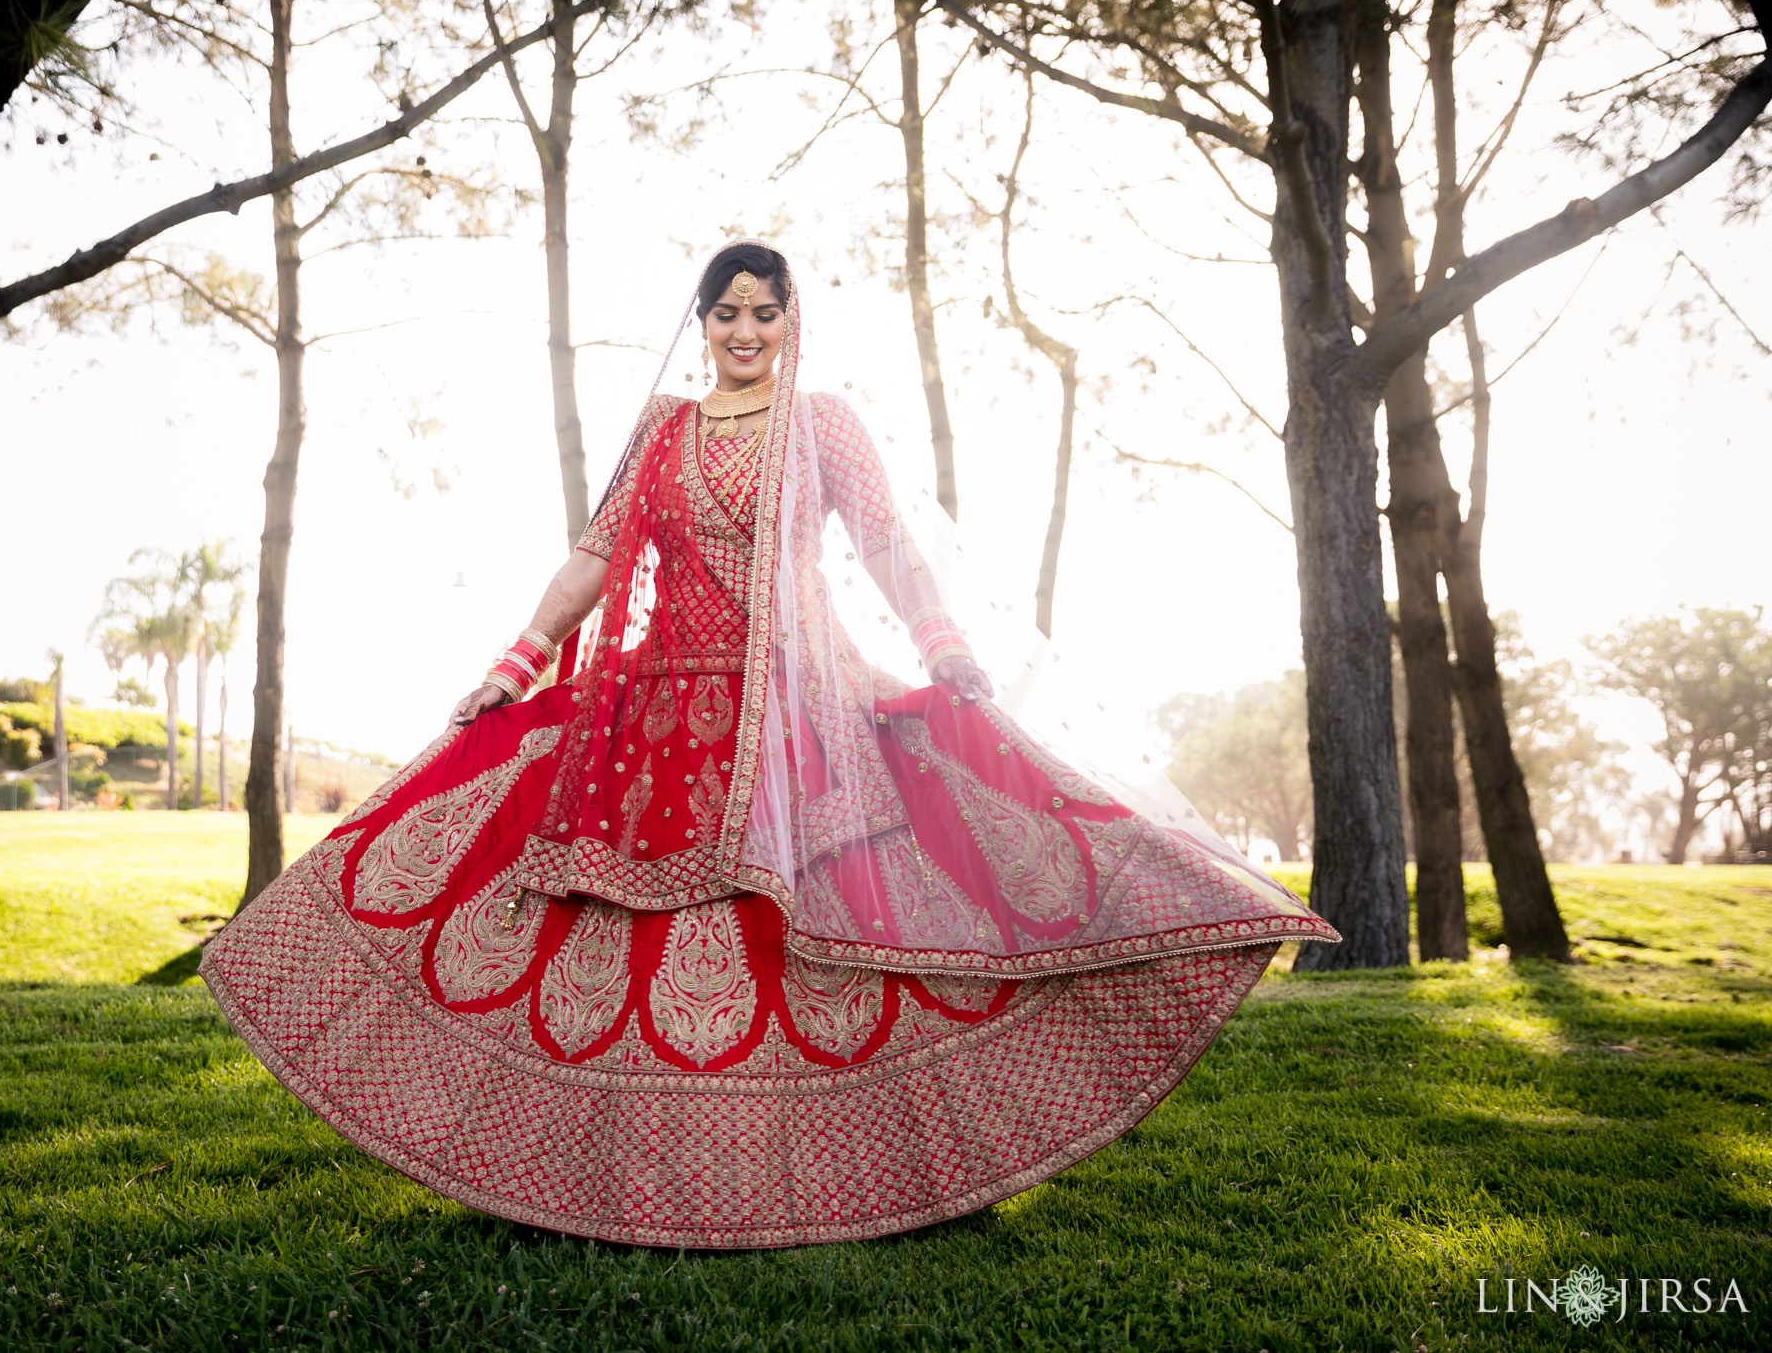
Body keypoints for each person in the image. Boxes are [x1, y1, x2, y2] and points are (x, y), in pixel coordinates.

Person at [203, 241, 1338, 1249]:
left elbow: (888, 545)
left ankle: (884, 1172)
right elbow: (596, 557)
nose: (744, 333)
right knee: (639, 945)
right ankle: (622, 1183)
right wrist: (515, 663)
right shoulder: (662, 427)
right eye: (724, 313)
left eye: (764, 311)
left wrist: (947, 655)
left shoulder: (820, 423)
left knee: (814, 936)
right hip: (655, 715)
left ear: (793, 318)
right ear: (699, 324)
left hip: (804, 712)